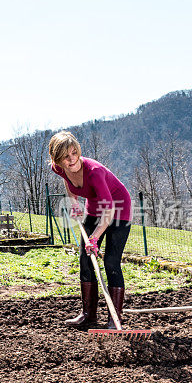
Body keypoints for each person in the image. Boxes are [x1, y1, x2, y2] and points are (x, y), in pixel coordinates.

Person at [48, 131, 132, 329]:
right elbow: (67, 180)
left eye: (74, 153)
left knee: (111, 261)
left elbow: (109, 211)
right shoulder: (58, 169)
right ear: (57, 159)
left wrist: (94, 238)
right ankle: (88, 316)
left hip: (118, 210)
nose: (72, 159)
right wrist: (74, 201)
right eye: (65, 157)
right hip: (94, 209)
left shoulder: (94, 172)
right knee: (86, 259)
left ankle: (114, 319)